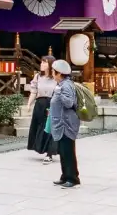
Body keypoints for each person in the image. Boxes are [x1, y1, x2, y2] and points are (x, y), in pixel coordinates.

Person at [50, 60, 81, 189]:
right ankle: (65, 176)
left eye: (53, 71)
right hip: (61, 123)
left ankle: (73, 178)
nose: (52, 73)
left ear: (59, 73)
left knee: (68, 151)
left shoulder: (66, 85)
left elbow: (69, 103)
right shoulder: (61, 84)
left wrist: (58, 93)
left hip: (66, 124)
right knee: (63, 151)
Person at [26, 56, 58, 164]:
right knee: (40, 127)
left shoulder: (55, 77)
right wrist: (29, 104)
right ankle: (41, 148)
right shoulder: (38, 76)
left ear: (50, 65)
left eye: (44, 63)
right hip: (40, 104)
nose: (41, 65)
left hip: (51, 103)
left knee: (49, 128)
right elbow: (34, 91)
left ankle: (49, 153)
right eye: (41, 63)